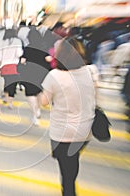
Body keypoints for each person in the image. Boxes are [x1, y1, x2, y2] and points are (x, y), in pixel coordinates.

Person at [40, 38, 96, 196]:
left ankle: (69, 191)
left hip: (62, 133)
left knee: (67, 172)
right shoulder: (91, 71)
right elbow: (94, 96)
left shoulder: (54, 75)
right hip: (84, 131)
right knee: (72, 161)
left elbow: (44, 102)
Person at [20, 28, 50, 125]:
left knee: (31, 94)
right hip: (42, 73)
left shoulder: (27, 48)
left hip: (30, 73)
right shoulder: (44, 47)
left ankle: (34, 115)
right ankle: (38, 110)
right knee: (39, 92)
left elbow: (22, 61)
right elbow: (48, 59)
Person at [0, 29, 23, 109]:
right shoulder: (17, 41)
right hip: (14, 66)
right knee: (12, 85)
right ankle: (10, 103)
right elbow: (19, 53)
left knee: (7, 83)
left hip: (4, 66)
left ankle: (7, 99)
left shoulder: (2, 42)